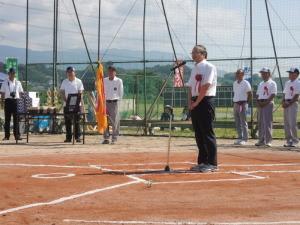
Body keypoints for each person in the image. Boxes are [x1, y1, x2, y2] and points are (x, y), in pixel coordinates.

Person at [187, 45, 218, 172]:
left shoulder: (209, 67)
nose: (193, 54)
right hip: (195, 101)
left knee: (207, 132)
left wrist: (197, 102)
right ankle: (202, 161)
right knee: (199, 133)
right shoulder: (194, 68)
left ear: (203, 54)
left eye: (195, 52)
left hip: (205, 101)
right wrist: (190, 102)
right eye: (192, 52)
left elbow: (206, 86)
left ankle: (212, 163)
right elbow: (189, 86)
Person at [60, 66, 84, 143]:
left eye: (71, 71)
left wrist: (76, 102)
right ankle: (68, 138)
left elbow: (80, 93)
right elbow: (62, 92)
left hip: (77, 105)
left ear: (74, 72)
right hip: (66, 104)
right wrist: (66, 101)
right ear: (66, 73)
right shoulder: (64, 81)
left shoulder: (79, 81)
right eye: (68, 72)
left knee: (77, 121)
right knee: (67, 122)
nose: (70, 73)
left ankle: (78, 137)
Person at [255, 67, 277, 147]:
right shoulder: (261, 83)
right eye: (262, 73)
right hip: (260, 103)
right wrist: (258, 102)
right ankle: (261, 140)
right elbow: (257, 94)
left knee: (267, 122)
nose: (263, 74)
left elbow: (273, 94)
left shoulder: (272, 83)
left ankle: (268, 141)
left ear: (269, 74)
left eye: (264, 73)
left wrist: (266, 102)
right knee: (260, 123)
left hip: (268, 103)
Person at [0, 68, 23, 141]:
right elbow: (2, 92)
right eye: (11, 73)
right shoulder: (5, 82)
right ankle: (7, 136)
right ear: (8, 74)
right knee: (7, 119)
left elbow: (21, 92)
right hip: (8, 101)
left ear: (15, 74)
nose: (12, 74)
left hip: (16, 101)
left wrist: (20, 100)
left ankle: (17, 135)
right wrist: (2, 102)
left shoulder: (18, 82)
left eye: (13, 73)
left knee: (16, 119)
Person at [102, 66, 123, 144]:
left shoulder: (119, 81)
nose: (110, 73)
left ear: (115, 72)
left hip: (114, 102)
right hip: (105, 102)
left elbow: (121, 92)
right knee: (105, 121)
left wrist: (118, 101)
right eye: (109, 71)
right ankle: (106, 138)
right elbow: (102, 91)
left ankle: (114, 138)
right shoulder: (104, 80)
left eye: (112, 71)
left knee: (115, 121)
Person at [233, 69, 252, 145]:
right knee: (237, 121)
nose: (237, 75)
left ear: (243, 74)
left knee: (243, 121)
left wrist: (246, 103)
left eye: (239, 73)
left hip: (242, 104)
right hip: (236, 103)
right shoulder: (234, 83)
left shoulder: (246, 83)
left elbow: (250, 94)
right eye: (236, 73)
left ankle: (245, 138)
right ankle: (240, 137)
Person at [282, 67, 300, 147]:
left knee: (292, 123)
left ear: (296, 74)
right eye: (289, 73)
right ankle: (289, 140)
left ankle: (295, 140)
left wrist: (289, 103)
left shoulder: (298, 83)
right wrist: (283, 101)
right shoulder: (287, 82)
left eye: (291, 73)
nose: (289, 74)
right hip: (286, 102)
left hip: (293, 103)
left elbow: (296, 95)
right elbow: (285, 93)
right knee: (287, 123)